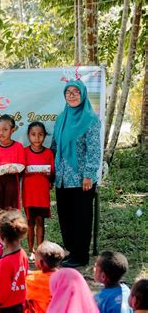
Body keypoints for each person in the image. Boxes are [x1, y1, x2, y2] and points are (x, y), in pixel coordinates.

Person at [52, 79, 101, 268]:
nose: (71, 95)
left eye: (76, 92)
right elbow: (55, 146)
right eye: (68, 92)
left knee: (81, 217)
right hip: (62, 178)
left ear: (83, 95)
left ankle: (81, 256)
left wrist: (89, 174)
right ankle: (72, 252)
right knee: (65, 217)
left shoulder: (90, 120)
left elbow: (94, 149)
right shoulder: (61, 118)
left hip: (81, 179)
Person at [0, 114, 25, 260]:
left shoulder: (18, 147)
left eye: (5, 129)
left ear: (12, 130)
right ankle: (0, 246)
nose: (0, 133)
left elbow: (21, 166)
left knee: (13, 216)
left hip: (12, 185)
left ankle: (14, 247)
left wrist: (10, 168)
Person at [22, 122, 55, 263]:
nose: (37, 138)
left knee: (40, 222)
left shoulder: (48, 153)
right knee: (30, 223)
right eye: (33, 135)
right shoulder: (24, 152)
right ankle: (31, 251)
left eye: (40, 135)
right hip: (29, 195)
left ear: (44, 136)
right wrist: (26, 170)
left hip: (42, 195)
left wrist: (47, 174)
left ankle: (40, 250)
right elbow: (20, 170)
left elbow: (52, 173)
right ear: (29, 136)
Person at [25, 241, 64, 313]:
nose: (34, 259)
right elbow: (40, 274)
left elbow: (23, 291)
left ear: (40, 263)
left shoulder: (33, 282)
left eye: (35, 258)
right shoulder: (63, 277)